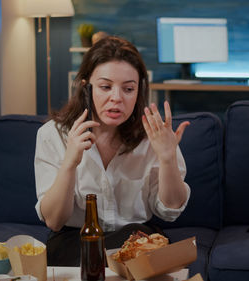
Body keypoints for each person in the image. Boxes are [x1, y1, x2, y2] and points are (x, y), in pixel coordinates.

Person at [34, 36, 191, 266]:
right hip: (74, 241)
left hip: (135, 239)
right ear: (86, 87)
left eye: (128, 89)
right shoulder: (52, 135)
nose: (116, 98)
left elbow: (170, 211)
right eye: (105, 87)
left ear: (139, 91)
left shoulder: (154, 136)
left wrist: (167, 159)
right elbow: (54, 221)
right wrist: (70, 162)